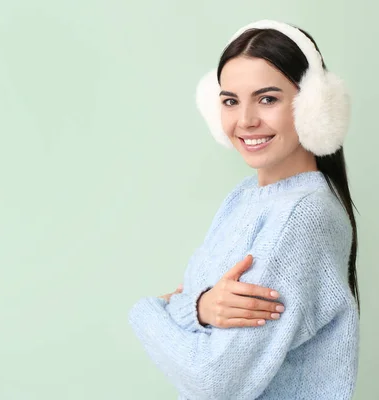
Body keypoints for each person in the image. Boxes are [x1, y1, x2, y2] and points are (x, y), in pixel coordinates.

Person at [128, 19, 360, 400]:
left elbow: (214, 381)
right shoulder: (244, 197)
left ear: (313, 106)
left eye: (268, 98)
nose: (246, 120)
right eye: (230, 101)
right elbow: (198, 309)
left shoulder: (302, 218)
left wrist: (147, 312)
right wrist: (200, 308)